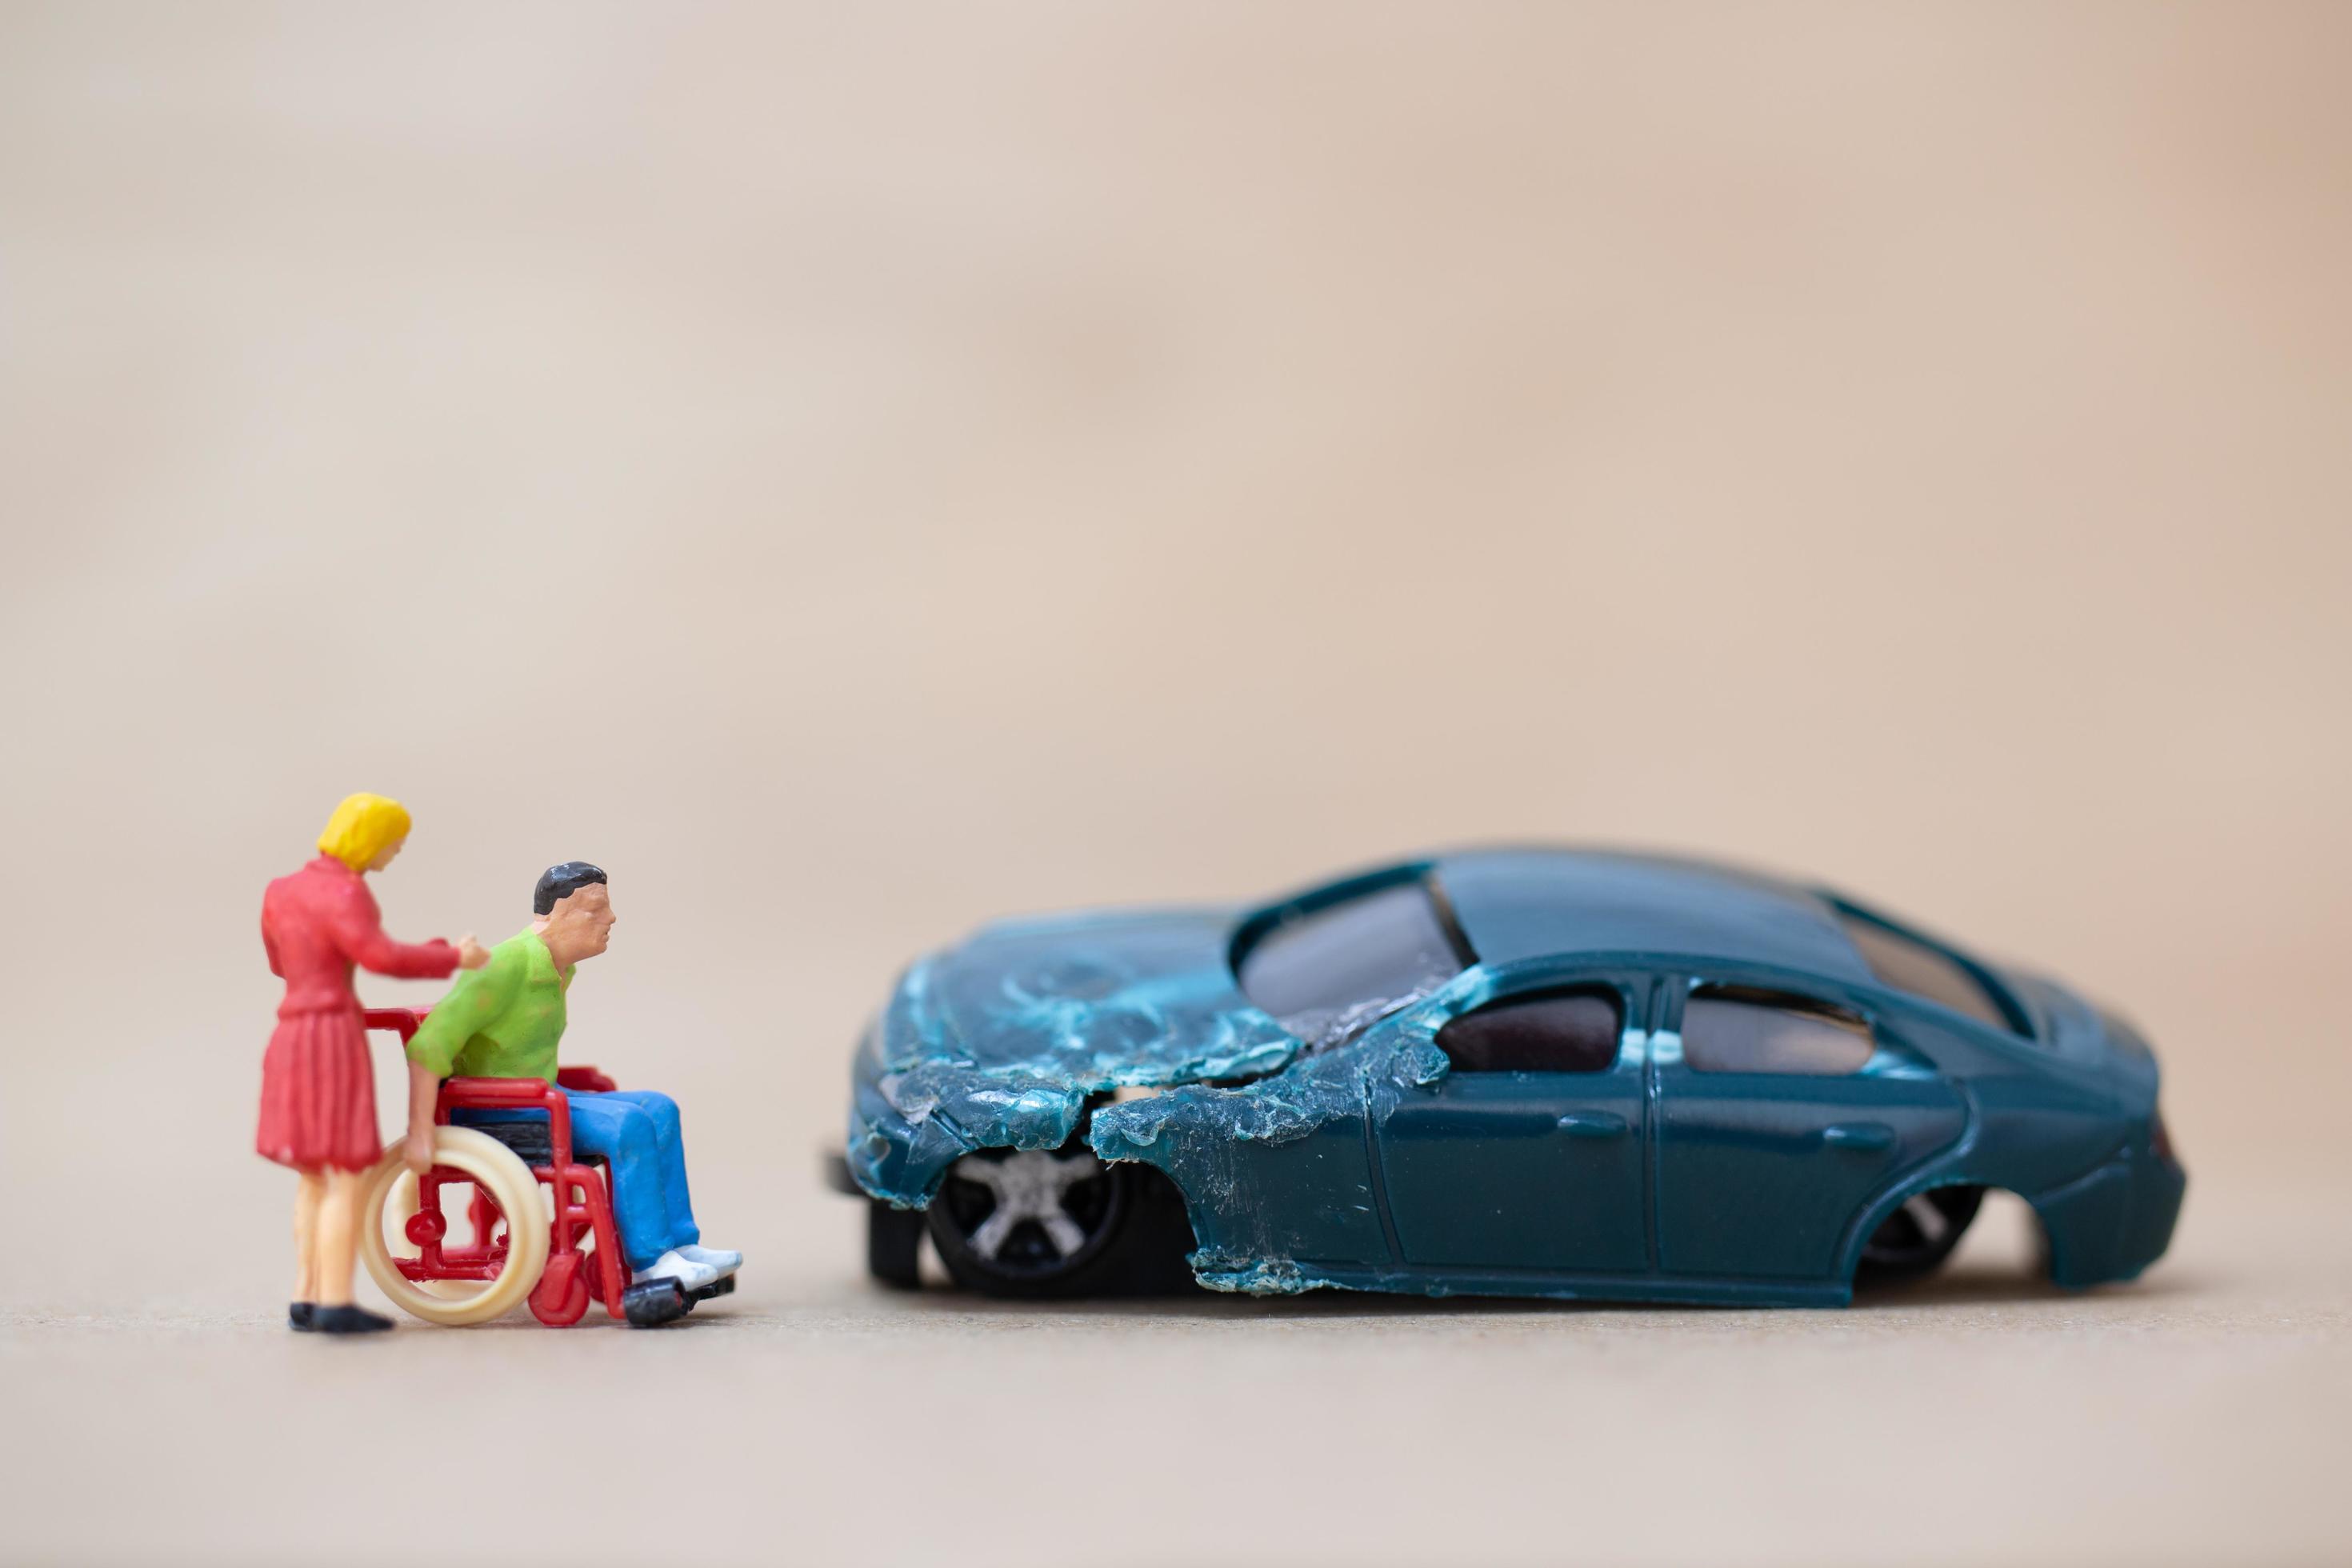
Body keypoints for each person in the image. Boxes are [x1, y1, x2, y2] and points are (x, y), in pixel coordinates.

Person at [400, 862, 741, 1291]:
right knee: (629, 1125)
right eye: (596, 910)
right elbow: (428, 1045)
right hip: (495, 1110)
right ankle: (651, 1263)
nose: (611, 919)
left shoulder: (561, 967)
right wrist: (419, 1131)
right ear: (557, 914)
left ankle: (681, 1246)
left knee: (659, 1107)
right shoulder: (505, 965)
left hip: (540, 1096)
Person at [260, 793, 490, 1334]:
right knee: (345, 1174)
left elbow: (278, 962)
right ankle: (337, 1302)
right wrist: (456, 957)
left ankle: (306, 1294)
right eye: (394, 844)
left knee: (313, 1173)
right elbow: (380, 956)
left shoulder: (280, 891)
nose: (394, 854)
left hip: (290, 1034)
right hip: (330, 1038)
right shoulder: (347, 891)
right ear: (371, 839)